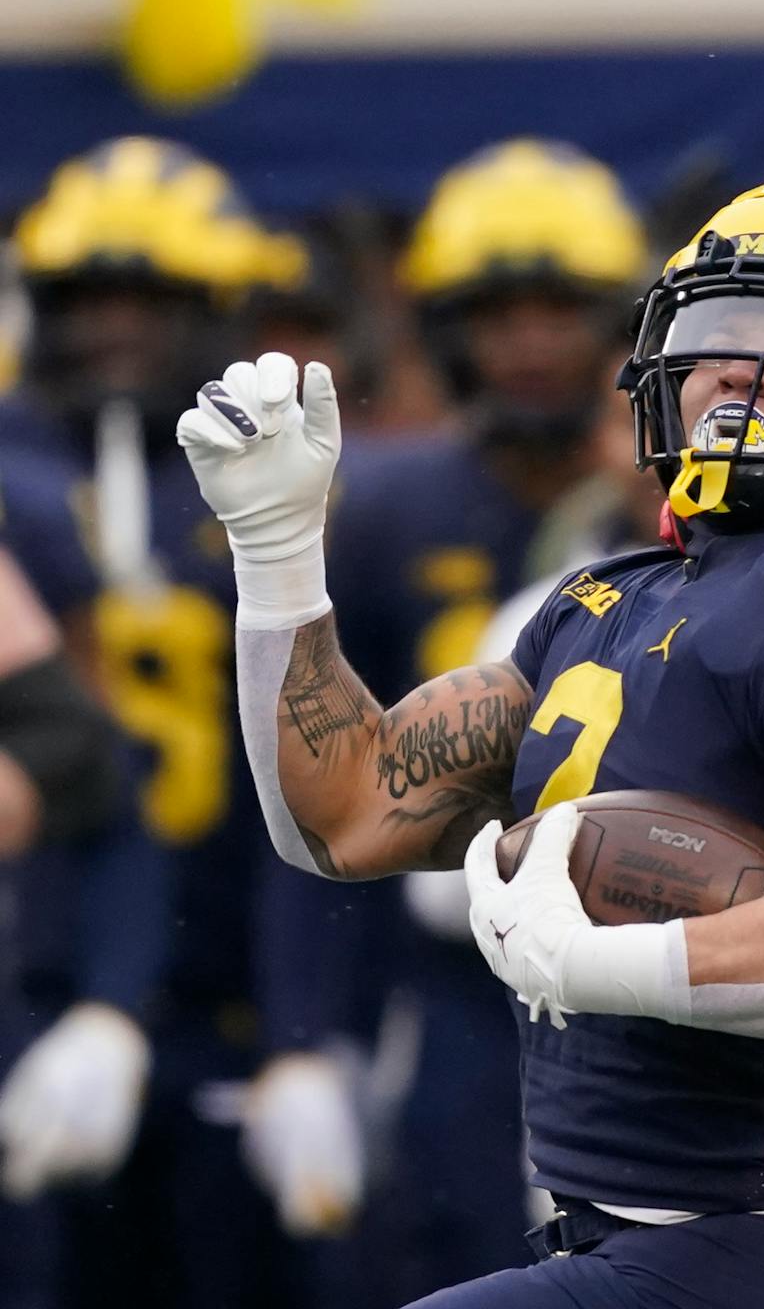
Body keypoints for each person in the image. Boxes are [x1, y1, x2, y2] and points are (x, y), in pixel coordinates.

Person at [180, 174, 764, 1308]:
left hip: (759, 1245)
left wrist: (594, 964)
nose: (732, 367)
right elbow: (344, 815)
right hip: (627, 1238)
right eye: (712, 334)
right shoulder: (599, 604)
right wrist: (278, 554)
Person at [268, 138, 652, 1302]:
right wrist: (306, 1036)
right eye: (499, 312)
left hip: (647, 951)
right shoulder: (386, 511)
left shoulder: (676, 505)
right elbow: (314, 777)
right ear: (443, 330)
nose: (533, 344)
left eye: (560, 311)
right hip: (447, 967)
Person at [0, 136, 365, 1309]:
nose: (114, 331)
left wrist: (308, 1029)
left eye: (150, 302)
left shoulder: (282, 481)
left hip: (231, 967)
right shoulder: (17, 472)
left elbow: (329, 757)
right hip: (41, 963)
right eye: (86, 300)